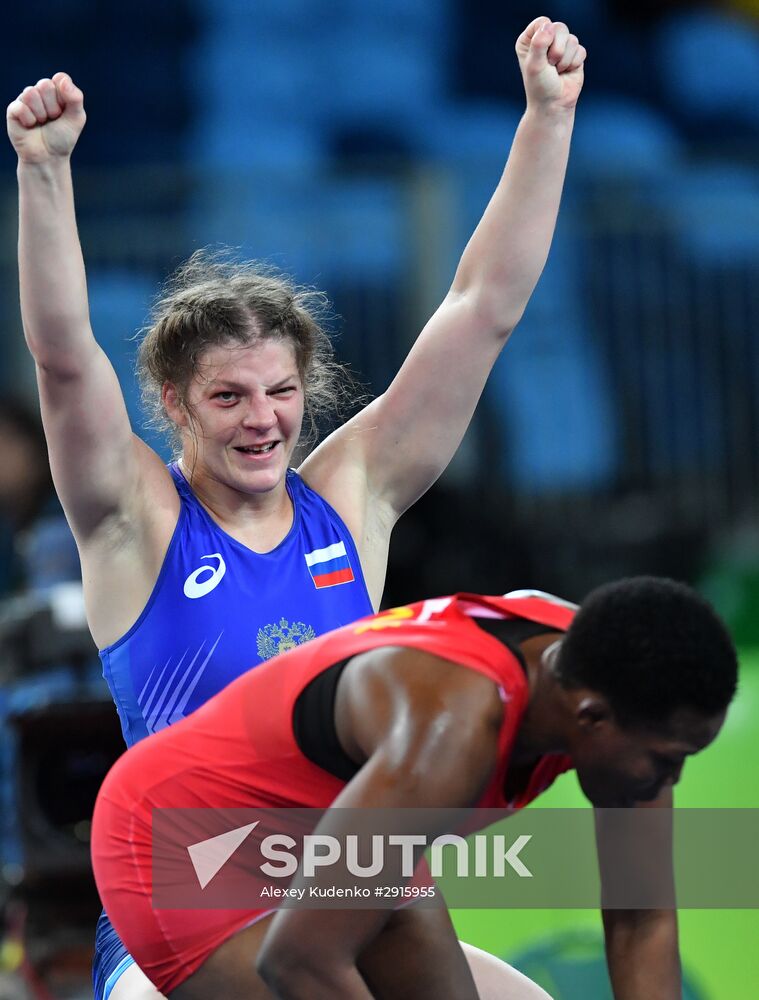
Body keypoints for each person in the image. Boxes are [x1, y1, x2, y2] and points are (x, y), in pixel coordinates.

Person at [6, 14, 587, 1000]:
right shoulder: (133, 519)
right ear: (176, 404)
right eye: (228, 397)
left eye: (279, 392)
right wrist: (45, 171)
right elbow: (64, 362)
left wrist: (548, 117)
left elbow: (482, 307)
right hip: (184, 919)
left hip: (350, 901)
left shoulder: (351, 498)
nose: (262, 421)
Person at [90, 577, 738, 999]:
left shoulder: (619, 676)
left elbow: (640, 918)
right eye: (666, 761)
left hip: (340, 834)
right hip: (184, 836)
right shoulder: (451, 733)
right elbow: (300, 960)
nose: (669, 782)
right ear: (590, 718)